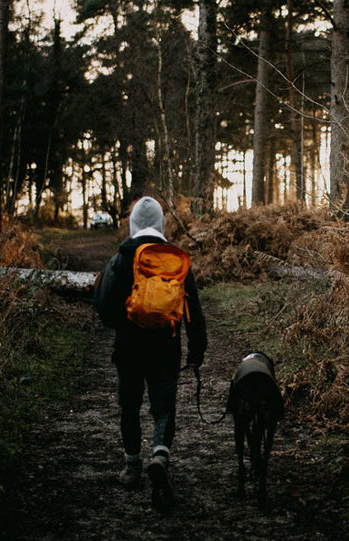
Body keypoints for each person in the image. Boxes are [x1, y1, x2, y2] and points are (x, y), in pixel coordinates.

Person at [93, 195, 207, 510]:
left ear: (133, 224)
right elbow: (193, 311)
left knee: (129, 407)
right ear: (160, 223)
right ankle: (159, 454)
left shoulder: (122, 257)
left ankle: (132, 467)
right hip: (166, 348)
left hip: (129, 348)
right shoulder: (175, 259)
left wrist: (122, 323)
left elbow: (104, 307)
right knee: (163, 408)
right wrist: (197, 350)